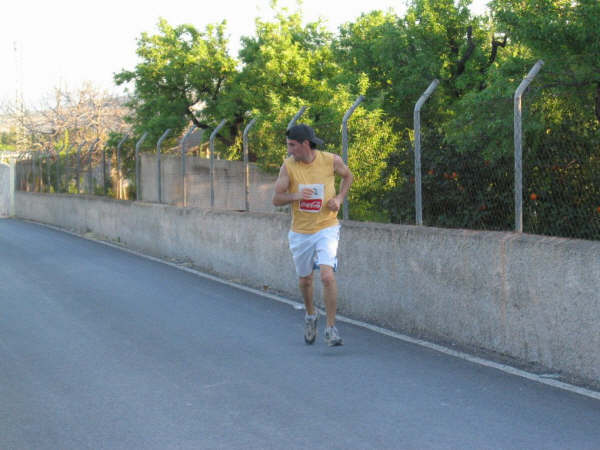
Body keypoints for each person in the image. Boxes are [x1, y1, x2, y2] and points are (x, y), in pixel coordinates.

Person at [272, 124, 353, 346]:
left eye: (292, 145)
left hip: (327, 227)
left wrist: (339, 199)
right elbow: (276, 199)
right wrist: (297, 195)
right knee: (305, 280)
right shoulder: (288, 166)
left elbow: (348, 176)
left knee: (327, 276)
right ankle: (310, 314)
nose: (289, 150)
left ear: (305, 144)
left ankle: (331, 328)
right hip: (300, 232)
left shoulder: (330, 160)